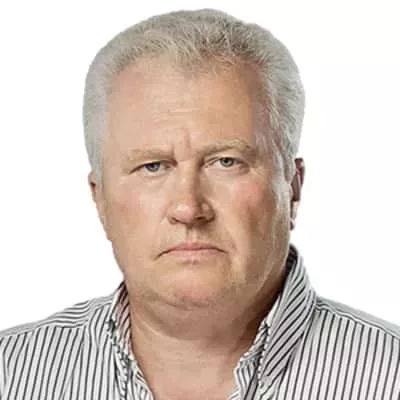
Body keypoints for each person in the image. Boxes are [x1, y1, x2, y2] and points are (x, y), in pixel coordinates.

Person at [0, 8, 399, 400]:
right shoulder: (10, 375)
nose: (189, 209)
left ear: (292, 189)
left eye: (226, 162)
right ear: (99, 199)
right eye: (152, 166)